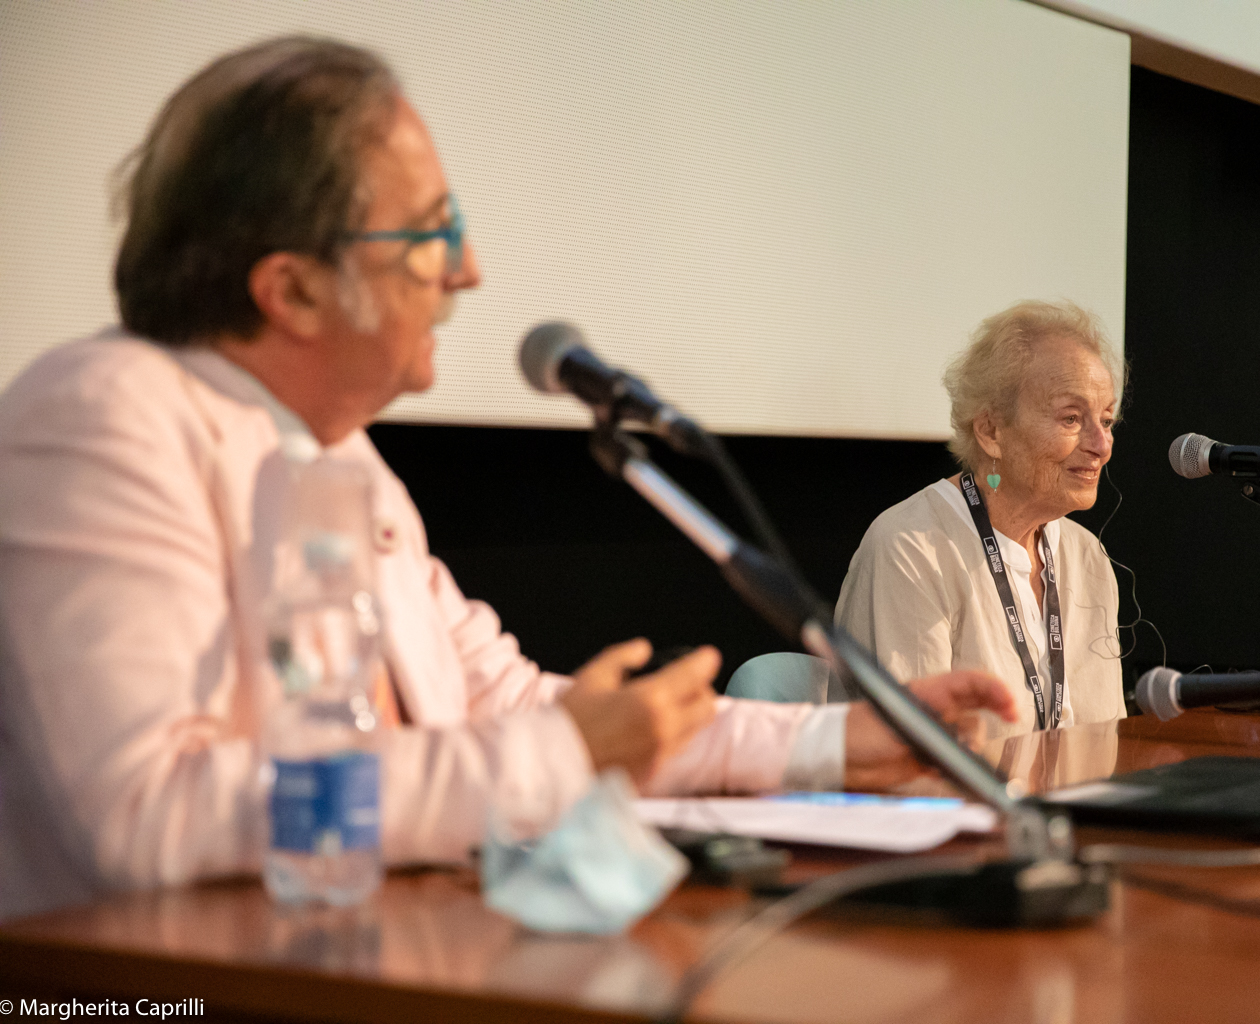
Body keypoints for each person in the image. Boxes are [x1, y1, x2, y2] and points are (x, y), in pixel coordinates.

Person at [0, 38, 1014, 921]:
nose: (468, 268)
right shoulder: (101, 416)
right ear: (294, 290)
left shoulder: (344, 458)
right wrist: (559, 755)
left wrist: (838, 742)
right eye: (431, 234)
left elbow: (505, 701)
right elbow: (145, 813)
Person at [835, 300, 1125, 736]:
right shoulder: (911, 549)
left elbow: (1106, 742)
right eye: (1071, 418)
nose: (1101, 445)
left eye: (1106, 420)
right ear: (990, 431)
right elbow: (918, 754)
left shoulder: (1088, 557)